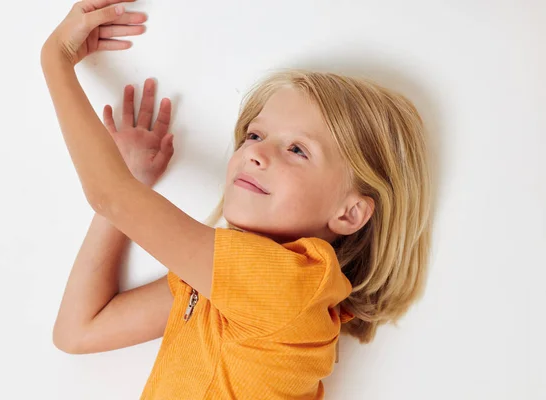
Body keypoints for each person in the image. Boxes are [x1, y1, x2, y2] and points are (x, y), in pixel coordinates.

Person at [41, 1, 433, 399]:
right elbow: (79, 330)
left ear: (349, 212)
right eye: (254, 135)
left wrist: (56, 58)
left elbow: (111, 197)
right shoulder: (232, 286)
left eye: (297, 149)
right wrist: (128, 184)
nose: (254, 153)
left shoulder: (288, 288)